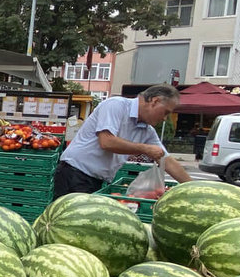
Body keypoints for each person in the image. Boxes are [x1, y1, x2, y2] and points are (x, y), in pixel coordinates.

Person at [53, 84, 192, 199]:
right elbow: (106, 142)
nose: (164, 119)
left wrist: (198, 189)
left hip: (96, 181)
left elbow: (167, 161)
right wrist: (144, 149)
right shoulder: (115, 105)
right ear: (154, 101)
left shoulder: (147, 131)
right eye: (166, 112)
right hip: (74, 174)